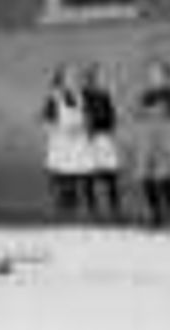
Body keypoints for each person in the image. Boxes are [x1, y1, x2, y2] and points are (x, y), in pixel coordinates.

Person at [132, 59, 170, 225]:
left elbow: (166, 110)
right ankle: (154, 211)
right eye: (150, 73)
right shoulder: (146, 93)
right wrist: (146, 111)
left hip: (164, 137)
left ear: (164, 76)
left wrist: (146, 110)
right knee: (147, 176)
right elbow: (136, 112)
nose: (152, 76)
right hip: (147, 137)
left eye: (156, 73)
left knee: (164, 176)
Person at [39, 66, 87, 218]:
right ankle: (60, 204)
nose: (73, 81)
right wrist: (58, 130)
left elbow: (84, 117)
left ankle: (72, 205)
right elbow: (45, 120)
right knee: (59, 173)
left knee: (73, 174)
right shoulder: (54, 97)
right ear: (61, 80)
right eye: (69, 78)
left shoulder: (80, 97)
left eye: (74, 78)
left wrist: (82, 127)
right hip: (60, 141)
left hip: (76, 140)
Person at [74, 65, 120, 219]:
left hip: (104, 138)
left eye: (102, 77)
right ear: (91, 78)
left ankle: (115, 209)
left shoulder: (105, 95)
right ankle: (92, 209)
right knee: (88, 175)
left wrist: (108, 126)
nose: (101, 80)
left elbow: (112, 117)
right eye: (98, 77)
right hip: (89, 138)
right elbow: (81, 115)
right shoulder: (82, 95)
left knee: (110, 175)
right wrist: (87, 127)